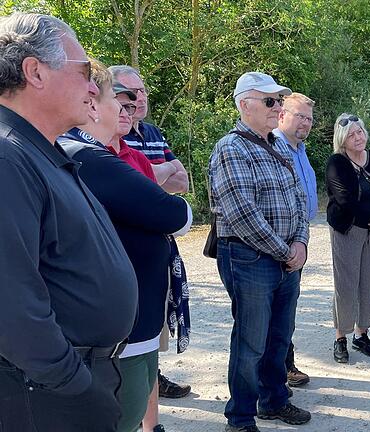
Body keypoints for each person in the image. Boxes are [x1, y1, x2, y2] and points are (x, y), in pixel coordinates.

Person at [0, 13, 138, 431]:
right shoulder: (8, 157)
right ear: (35, 71)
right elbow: (10, 299)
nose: (94, 86)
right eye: (83, 72)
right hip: (48, 394)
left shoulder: (38, 151)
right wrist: (73, 383)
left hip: (67, 382)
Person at [58, 60, 192, 432]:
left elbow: (166, 193)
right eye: (119, 102)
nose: (126, 110)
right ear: (93, 106)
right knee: (122, 414)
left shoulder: (107, 153)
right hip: (120, 326)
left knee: (138, 394)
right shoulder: (88, 156)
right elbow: (174, 213)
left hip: (138, 314)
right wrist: (161, 193)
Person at [209, 71, 311, 431]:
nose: (277, 107)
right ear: (243, 105)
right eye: (269, 101)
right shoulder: (230, 148)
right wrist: (287, 251)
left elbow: (300, 198)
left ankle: (274, 400)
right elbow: (242, 214)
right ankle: (239, 417)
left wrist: (300, 243)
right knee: (251, 342)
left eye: (278, 100)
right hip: (250, 258)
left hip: (285, 258)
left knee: (279, 337)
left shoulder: (280, 145)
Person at [326, 113, 370, 363]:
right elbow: (345, 201)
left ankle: (361, 334)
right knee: (345, 286)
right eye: (352, 134)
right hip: (348, 229)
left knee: (369, 283)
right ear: (342, 139)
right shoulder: (337, 163)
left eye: (360, 132)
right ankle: (340, 338)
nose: (358, 137)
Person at [273, 92, 317, 388]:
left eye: (310, 118)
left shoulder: (299, 148)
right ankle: (278, 372)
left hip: (299, 238)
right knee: (274, 311)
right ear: (281, 115)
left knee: (287, 308)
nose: (306, 123)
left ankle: (284, 365)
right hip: (278, 243)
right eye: (300, 116)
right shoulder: (274, 146)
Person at [109, 65, 190, 195]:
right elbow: (130, 182)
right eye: (133, 92)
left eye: (143, 90)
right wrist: (169, 167)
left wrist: (150, 174)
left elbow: (183, 183)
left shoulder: (153, 132)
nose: (142, 98)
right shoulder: (111, 135)